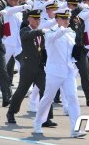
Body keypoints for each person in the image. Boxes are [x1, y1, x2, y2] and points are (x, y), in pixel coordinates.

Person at [33, 8, 86, 138]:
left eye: (67, 18)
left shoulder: (71, 33)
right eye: (64, 18)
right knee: (47, 99)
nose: (67, 21)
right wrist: (63, 30)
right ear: (57, 20)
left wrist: (75, 55)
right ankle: (38, 123)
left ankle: (75, 129)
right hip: (54, 72)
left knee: (73, 98)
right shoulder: (50, 32)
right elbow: (53, 38)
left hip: (68, 71)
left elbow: (69, 52)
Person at [6, 9, 55, 127]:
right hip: (27, 68)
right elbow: (26, 36)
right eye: (34, 18)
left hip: (39, 68)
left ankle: (46, 118)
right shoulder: (25, 30)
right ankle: (11, 112)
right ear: (29, 19)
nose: (37, 21)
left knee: (47, 91)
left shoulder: (39, 33)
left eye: (38, 19)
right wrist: (40, 31)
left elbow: (41, 48)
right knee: (21, 92)